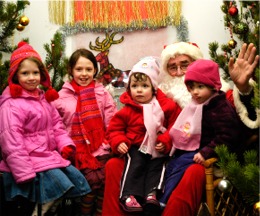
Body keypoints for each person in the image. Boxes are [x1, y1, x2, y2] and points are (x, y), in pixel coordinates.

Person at [102, 42, 259, 216]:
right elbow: (133, 124)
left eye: (185, 65)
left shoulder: (220, 93)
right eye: (172, 67)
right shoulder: (157, 95)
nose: (178, 73)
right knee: (114, 165)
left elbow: (243, 125)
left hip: (201, 156)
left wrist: (243, 89)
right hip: (161, 154)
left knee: (194, 171)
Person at [0, 41, 91, 216]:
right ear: (15, 76)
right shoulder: (11, 105)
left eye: (35, 72)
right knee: (59, 186)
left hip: (47, 155)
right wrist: (23, 172)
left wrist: (65, 145)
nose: (32, 77)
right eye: (25, 73)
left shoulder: (43, 98)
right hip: (31, 159)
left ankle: (50, 208)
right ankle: (39, 212)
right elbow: (11, 141)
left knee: (71, 182)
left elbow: (57, 126)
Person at [159, 59, 242, 206]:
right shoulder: (199, 102)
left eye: (200, 86)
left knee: (179, 166)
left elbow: (227, 136)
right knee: (171, 165)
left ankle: (164, 202)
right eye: (191, 87)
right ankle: (160, 195)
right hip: (197, 147)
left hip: (211, 152)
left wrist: (206, 152)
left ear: (212, 85)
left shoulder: (219, 107)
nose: (195, 92)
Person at [106, 57, 179, 214]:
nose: (139, 90)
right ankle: (128, 195)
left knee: (159, 166)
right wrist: (119, 141)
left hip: (157, 147)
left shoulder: (165, 106)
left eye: (144, 86)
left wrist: (166, 140)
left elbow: (175, 126)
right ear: (129, 89)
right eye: (135, 86)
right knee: (135, 163)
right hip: (136, 146)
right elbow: (114, 130)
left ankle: (152, 194)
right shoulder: (126, 110)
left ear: (153, 88)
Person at [52, 48, 117, 216]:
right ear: (71, 70)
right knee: (91, 182)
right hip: (75, 152)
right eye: (79, 69)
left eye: (89, 69)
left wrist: (110, 145)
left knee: (107, 178)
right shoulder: (61, 97)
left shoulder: (103, 94)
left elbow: (111, 123)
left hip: (101, 148)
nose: (84, 74)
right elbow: (55, 127)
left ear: (95, 70)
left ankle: (99, 212)